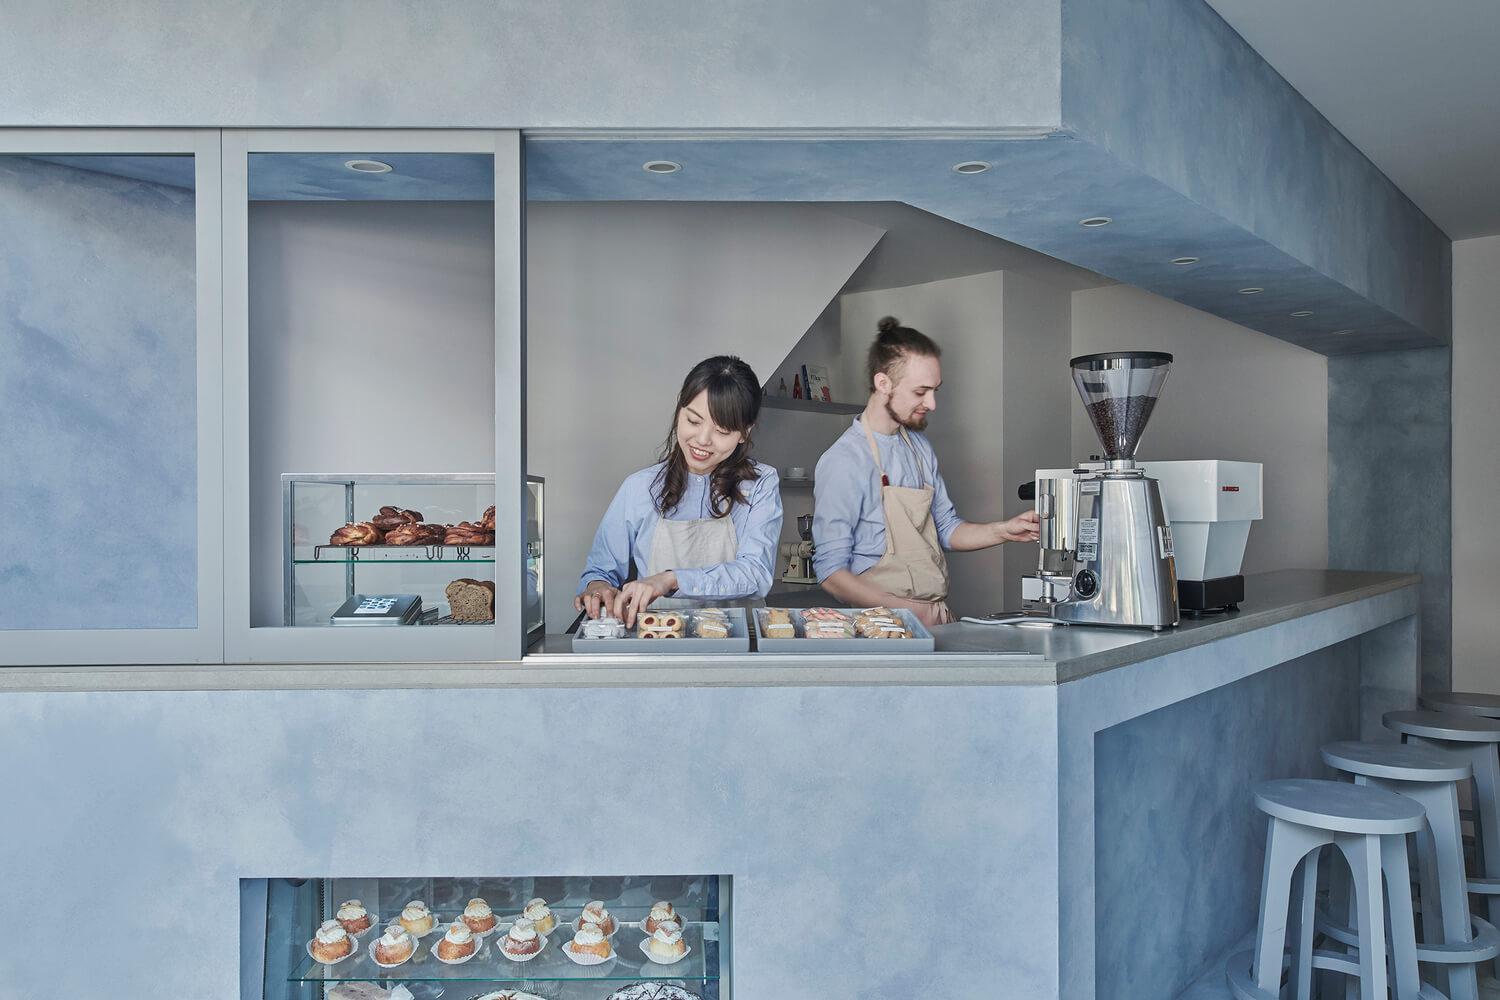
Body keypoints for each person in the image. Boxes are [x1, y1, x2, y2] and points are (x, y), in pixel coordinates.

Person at [812, 316, 1039, 626]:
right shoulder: (844, 460)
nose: (931, 403)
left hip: (934, 617)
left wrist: (1004, 530)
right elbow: (831, 574)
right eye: (921, 392)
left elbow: (946, 528)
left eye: (935, 390)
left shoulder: (919, 448)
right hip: (880, 625)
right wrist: (908, 611)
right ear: (883, 383)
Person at [575, 355, 782, 626]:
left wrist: (671, 579)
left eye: (722, 431)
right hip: (659, 644)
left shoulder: (761, 484)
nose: (702, 440)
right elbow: (601, 570)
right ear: (679, 411)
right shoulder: (639, 487)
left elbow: (755, 573)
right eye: (693, 421)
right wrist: (597, 587)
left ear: (745, 432)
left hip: (739, 651)